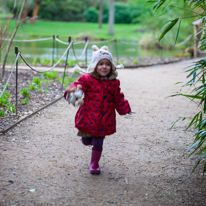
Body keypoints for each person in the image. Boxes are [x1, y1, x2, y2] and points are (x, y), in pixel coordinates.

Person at [64, 45, 133, 174]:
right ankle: (89, 142)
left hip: (104, 118)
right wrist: (73, 91)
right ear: (95, 65)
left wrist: (125, 108)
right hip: (88, 116)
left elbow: (118, 97)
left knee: (98, 142)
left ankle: (94, 164)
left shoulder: (114, 83)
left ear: (111, 66)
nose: (104, 67)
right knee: (86, 141)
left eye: (107, 64)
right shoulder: (87, 79)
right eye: (101, 64)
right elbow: (77, 85)